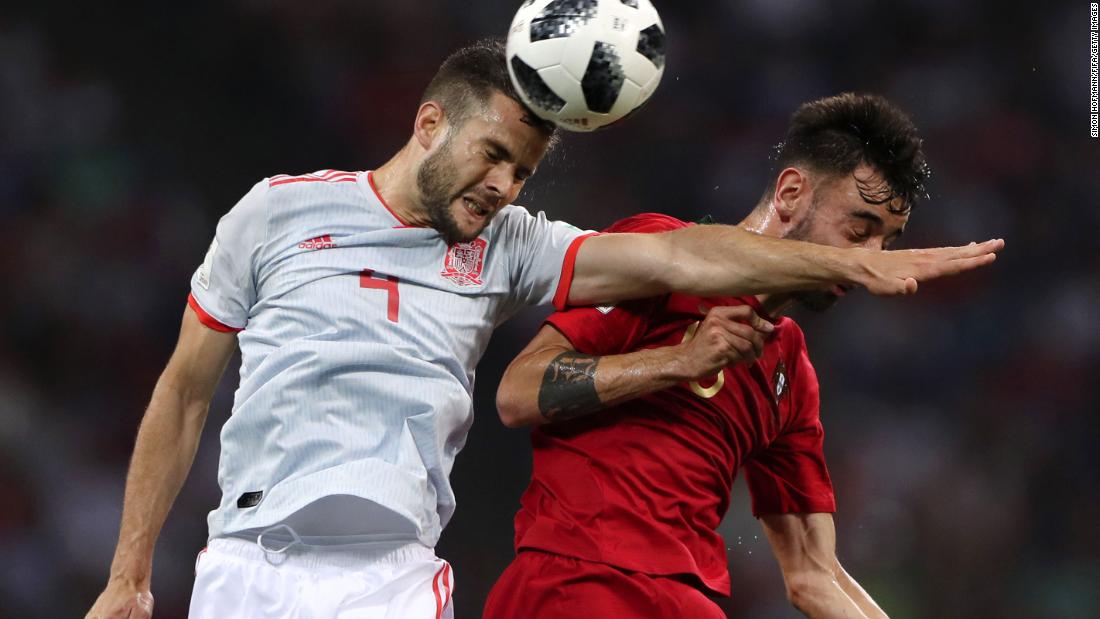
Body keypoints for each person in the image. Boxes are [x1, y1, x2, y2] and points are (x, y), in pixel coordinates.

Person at [85, 38, 999, 619]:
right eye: (494, 156)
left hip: (393, 576)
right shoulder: (274, 214)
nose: (504, 186)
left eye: (523, 172)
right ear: (429, 122)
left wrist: (850, 261)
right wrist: (129, 573)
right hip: (248, 558)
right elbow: (184, 390)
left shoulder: (510, 247)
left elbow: (688, 260)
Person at [484, 92, 950, 618]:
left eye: (885, 245)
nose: (872, 263)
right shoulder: (659, 257)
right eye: (859, 231)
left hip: (689, 601)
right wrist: (677, 361)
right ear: (792, 193)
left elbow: (814, 577)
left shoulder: (789, 369)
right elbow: (517, 392)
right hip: (580, 581)